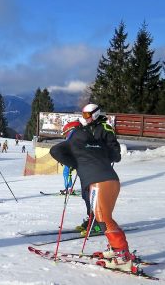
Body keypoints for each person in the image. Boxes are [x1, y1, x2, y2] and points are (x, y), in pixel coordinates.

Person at [50, 104, 134, 272]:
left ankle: (122, 255)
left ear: (96, 114)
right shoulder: (87, 130)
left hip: (98, 177)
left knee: (103, 217)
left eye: (88, 114)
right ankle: (116, 248)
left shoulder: (103, 127)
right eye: (84, 114)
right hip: (106, 177)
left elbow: (115, 153)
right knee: (103, 215)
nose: (86, 117)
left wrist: (81, 160)